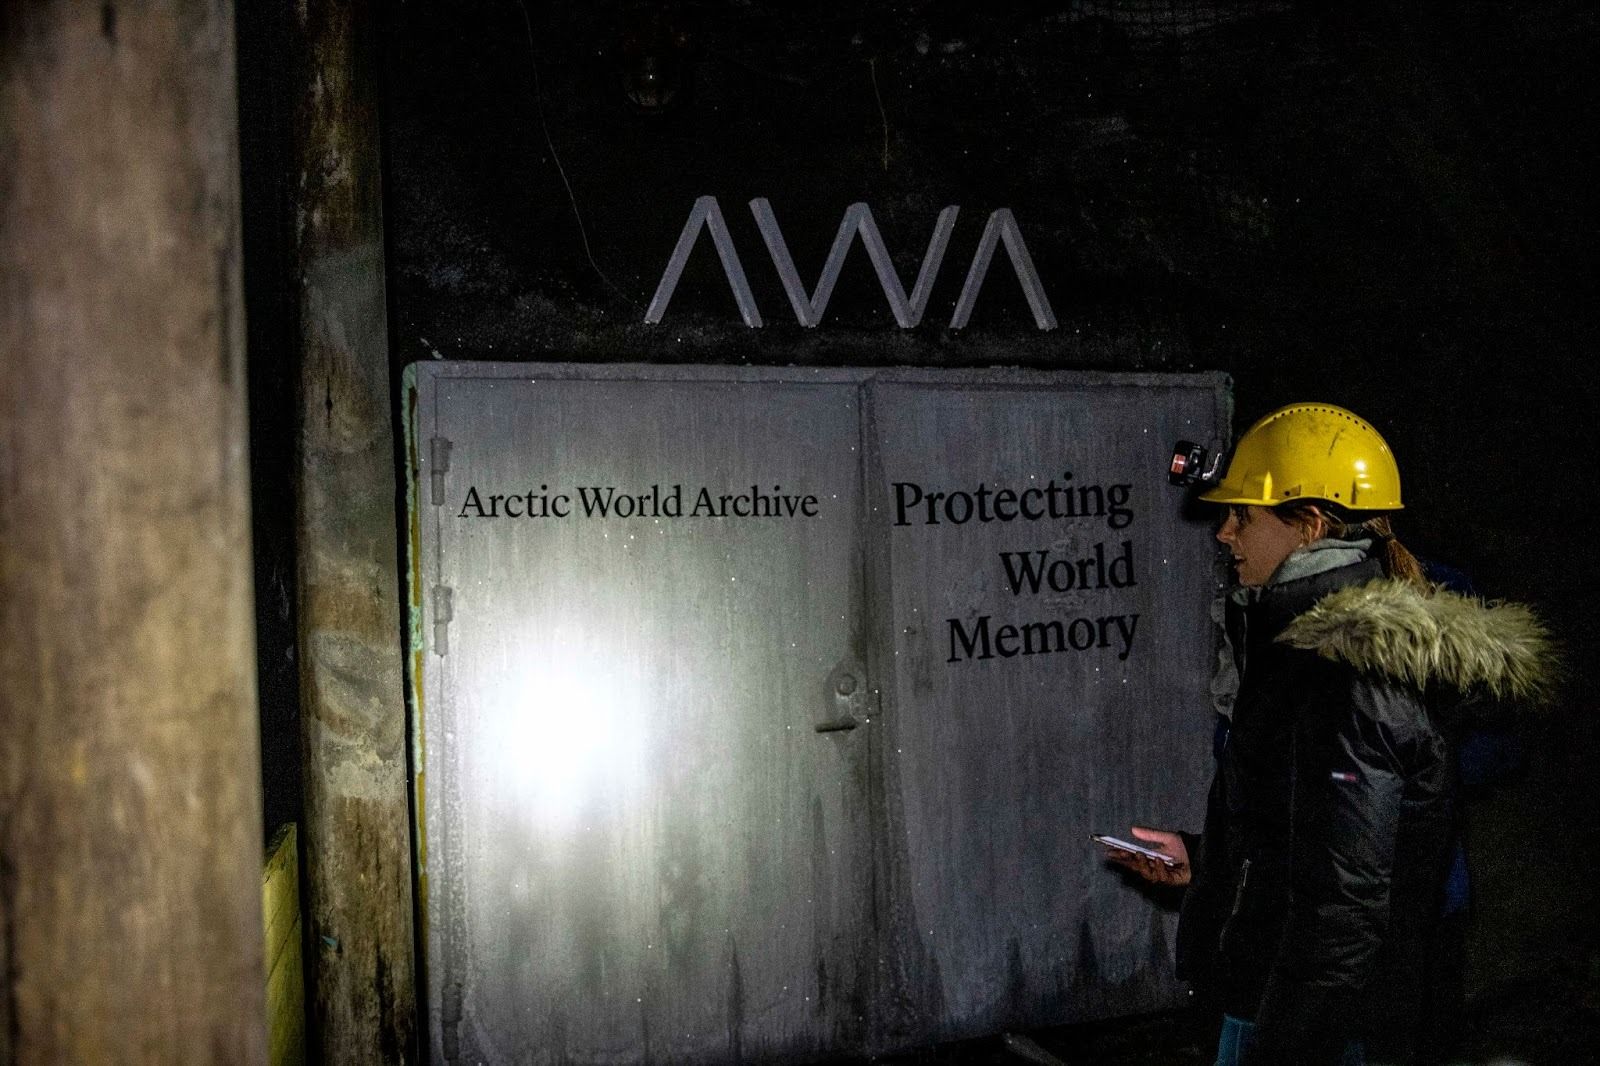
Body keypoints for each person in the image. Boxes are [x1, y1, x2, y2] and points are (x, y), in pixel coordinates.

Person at [1104, 403, 1552, 1066]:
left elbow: (1345, 908)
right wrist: (1214, 857)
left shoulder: (1346, 671)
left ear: (1310, 526)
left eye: (1243, 517)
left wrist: (1280, 1048)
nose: (1225, 534)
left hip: (1309, 1016)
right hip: (1276, 989)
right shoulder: (1299, 648)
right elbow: (1323, 834)